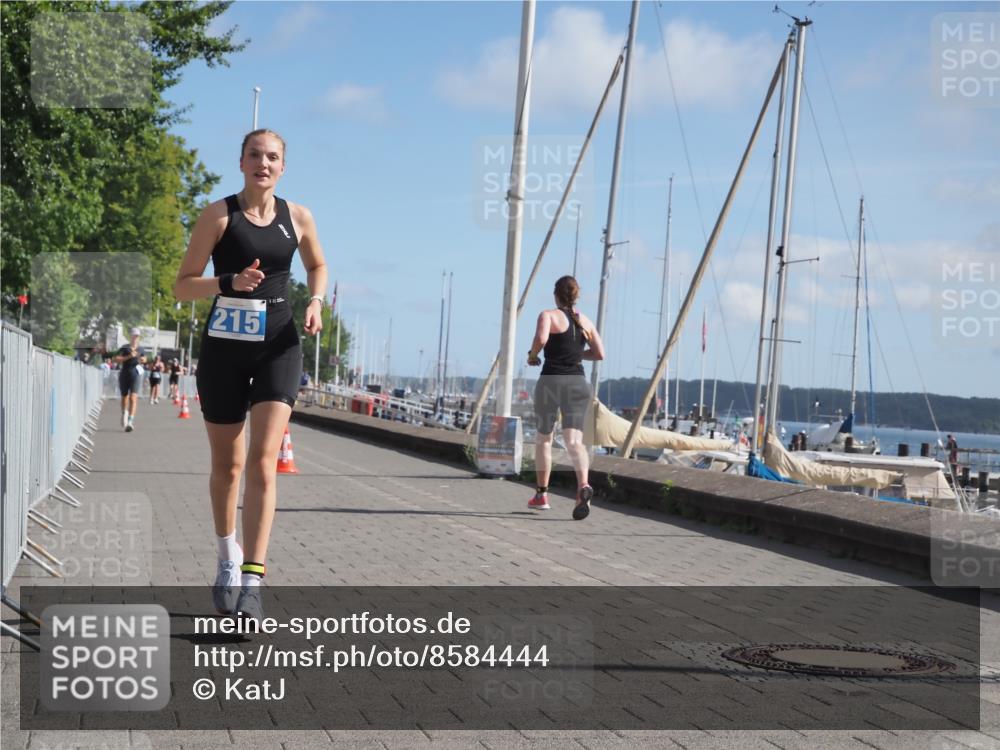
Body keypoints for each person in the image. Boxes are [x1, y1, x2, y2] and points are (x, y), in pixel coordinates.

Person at [173, 128, 327, 621]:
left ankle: (253, 582)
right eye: (256, 155)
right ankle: (226, 557)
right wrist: (228, 282)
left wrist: (317, 300)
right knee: (229, 467)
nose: (264, 163)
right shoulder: (219, 216)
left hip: (278, 347)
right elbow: (181, 286)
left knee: (264, 462)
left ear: (284, 167)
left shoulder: (297, 216)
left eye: (273, 157)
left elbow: (318, 264)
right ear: (241, 162)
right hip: (224, 351)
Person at [526, 276, 605, 520]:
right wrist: (576, 354)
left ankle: (541, 495)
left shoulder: (548, 315)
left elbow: (541, 339)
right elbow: (599, 353)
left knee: (544, 439)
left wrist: (532, 355)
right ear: (575, 295)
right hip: (578, 384)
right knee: (574, 441)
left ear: (556, 295)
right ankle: (583, 486)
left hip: (551, 381)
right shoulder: (585, 321)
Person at [113, 328, 146, 432]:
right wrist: (128, 357)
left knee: (133, 397)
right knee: (124, 397)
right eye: (134, 335)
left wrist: (142, 360)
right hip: (125, 373)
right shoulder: (125, 348)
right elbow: (116, 358)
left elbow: (144, 359)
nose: (135, 338)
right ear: (130, 336)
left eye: (137, 336)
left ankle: (130, 421)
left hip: (135, 374)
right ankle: (124, 413)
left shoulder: (141, 349)